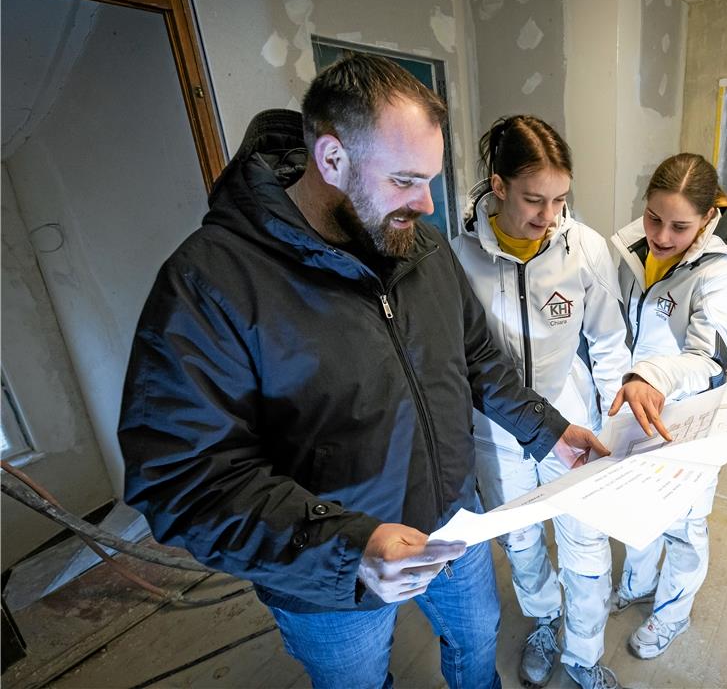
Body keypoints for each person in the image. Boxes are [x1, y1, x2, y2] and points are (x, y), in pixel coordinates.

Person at [117, 54, 608, 689]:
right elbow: (182, 479)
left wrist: (550, 431)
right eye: (405, 180)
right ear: (330, 160)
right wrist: (349, 550)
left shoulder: (419, 246)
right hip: (330, 581)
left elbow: (477, 358)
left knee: (476, 641)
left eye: (429, 179)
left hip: (454, 527)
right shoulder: (211, 282)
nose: (427, 205)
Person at [451, 116, 629, 689]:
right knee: (522, 542)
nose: (548, 216)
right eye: (534, 199)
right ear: (498, 186)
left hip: (569, 419)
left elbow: (607, 340)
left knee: (585, 542)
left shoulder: (585, 251)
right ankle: (546, 620)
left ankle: (581, 654)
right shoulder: (456, 258)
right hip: (495, 433)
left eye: (560, 199)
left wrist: (616, 419)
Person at [606, 152, 727, 659]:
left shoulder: (722, 272)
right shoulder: (628, 247)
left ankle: (671, 613)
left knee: (685, 524)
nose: (663, 237)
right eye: (654, 218)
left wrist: (651, 375)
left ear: (708, 219)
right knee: (637, 505)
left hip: (690, 413)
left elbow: (708, 357)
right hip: (634, 405)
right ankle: (637, 581)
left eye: (679, 226)